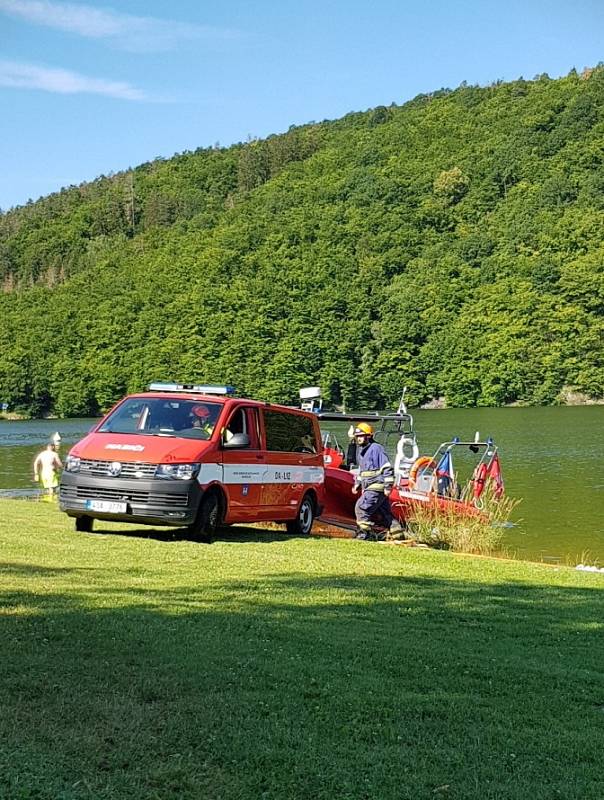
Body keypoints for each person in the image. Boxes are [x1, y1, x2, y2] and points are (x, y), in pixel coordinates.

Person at [351, 422, 401, 539]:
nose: (358, 439)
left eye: (361, 436)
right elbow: (362, 471)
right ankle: (398, 534)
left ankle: (364, 535)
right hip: (369, 485)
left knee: (361, 507)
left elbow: (387, 467)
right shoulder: (362, 451)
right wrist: (357, 484)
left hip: (377, 485)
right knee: (384, 513)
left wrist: (388, 486)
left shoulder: (377, 449)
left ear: (369, 436)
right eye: (357, 436)